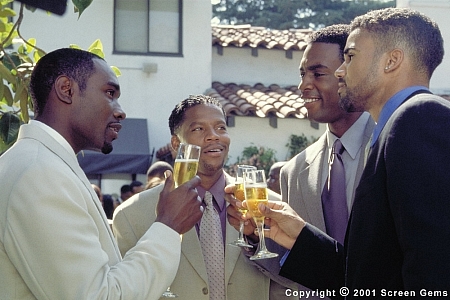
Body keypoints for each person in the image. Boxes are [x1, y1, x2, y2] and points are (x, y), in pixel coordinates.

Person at [258, 8, 450, 296]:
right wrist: (299, 236)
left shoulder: (418, 116)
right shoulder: (394, 128)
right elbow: (369, 275)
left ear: (392, 61)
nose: (340, 70)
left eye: (350, 56)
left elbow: (433, 269)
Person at [0, 48, 203, 299]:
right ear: (66, 89)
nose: (120, 111)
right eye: (110, 93)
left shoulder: (40, 163)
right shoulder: (39, 174)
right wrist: (169, 225)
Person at [226, 24, 375, 299]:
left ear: (351, 73)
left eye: (318, 73)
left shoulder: (390, 147)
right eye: (303, 74)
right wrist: (257, 236)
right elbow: (291, 268)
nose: (303, 85)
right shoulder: (294, 170)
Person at [113, 94, 281, 300]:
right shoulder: (131, 216)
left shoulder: (268, 205)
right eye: (198, 129)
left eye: (221, 127)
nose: (214, 136)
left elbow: (283, 287)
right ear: (176, 144)